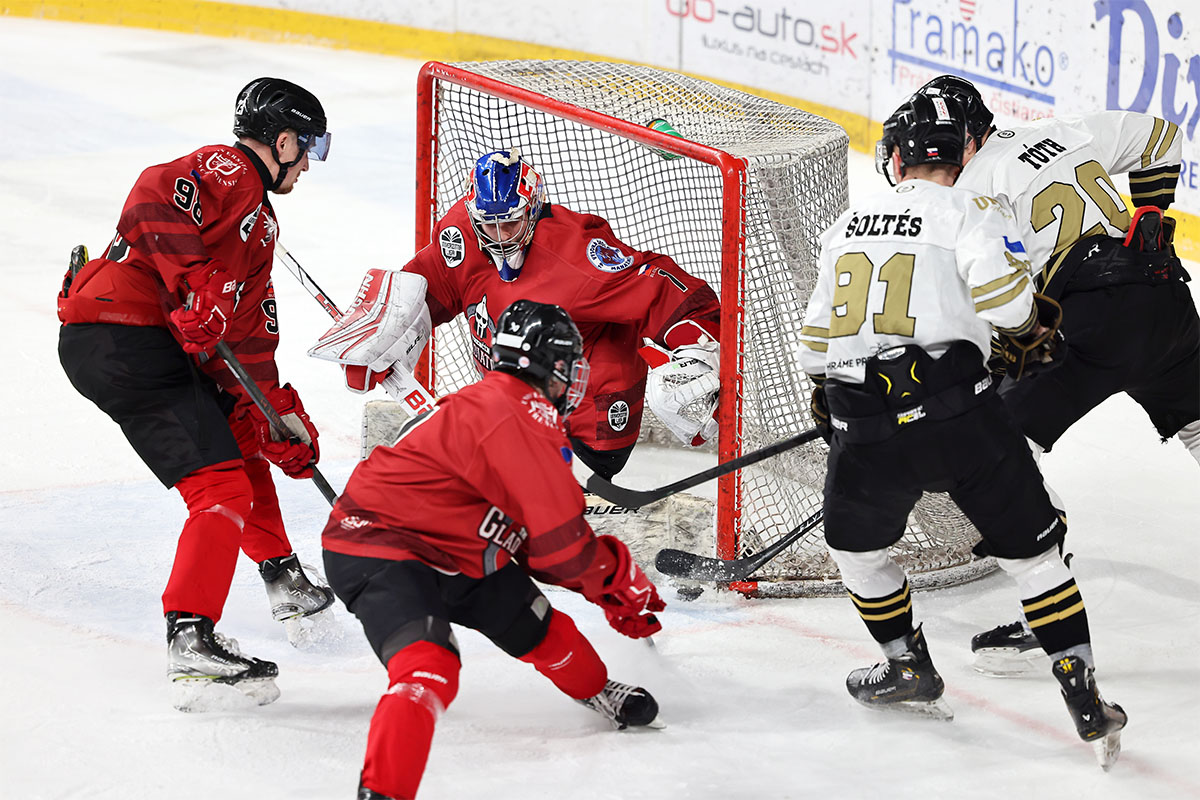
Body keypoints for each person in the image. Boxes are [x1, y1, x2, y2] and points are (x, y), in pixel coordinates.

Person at [799, 93, 1126, 768]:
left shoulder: (846, 224)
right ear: (961, 156)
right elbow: (1005, 303)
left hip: (869, 430)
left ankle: (906, 667)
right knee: (1034, 559)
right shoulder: (970, 209)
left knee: (859, 555)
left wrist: (830, 404)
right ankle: (1084, 695)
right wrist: (1025, 332)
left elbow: (814, 346)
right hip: (963, 421)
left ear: (895, 159)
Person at [56, 77, 336, 711]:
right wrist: (198, 280)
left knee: (239, 436)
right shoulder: (229, 170)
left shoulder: (259, 226)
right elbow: (151, 195)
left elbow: (246, 340)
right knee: (220, 489)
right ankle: (190, 639)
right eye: (310, 148)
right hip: (120, 335)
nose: (309, 164)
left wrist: (277, 416)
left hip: (137, 343)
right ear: (283, 141)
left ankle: (284, 577)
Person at [322, 299, 665, 800]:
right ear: (553, 365)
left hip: (458, 544)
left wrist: (604, 582)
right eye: (571, 364)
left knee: (544, 630)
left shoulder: (495, 402)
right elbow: (560, 549)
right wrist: (615, 580)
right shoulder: (523, 415)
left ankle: (596, 689)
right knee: (428, 667)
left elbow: (535, 543)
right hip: (382, 546)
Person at [917, 75, 1200, 674]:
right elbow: (1163, 136)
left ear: (969, 139)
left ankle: (1044, 609)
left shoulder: (969, 193)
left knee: (1001, 453)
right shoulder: (1065, 130)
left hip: (1090, 320)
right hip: (1165, 295)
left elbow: (997, 300)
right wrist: (1150, 211)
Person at [311, 148, 723, 480]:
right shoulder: (462, 234)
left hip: (590, 421)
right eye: (487, 225)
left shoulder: (577, 255)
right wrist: (385, 335)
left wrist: (700, 349)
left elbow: (661, 286)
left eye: (510, 223)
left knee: (477, 488)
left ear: (533, 208)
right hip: (516, 404)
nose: (499, 237)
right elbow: (430, 286)